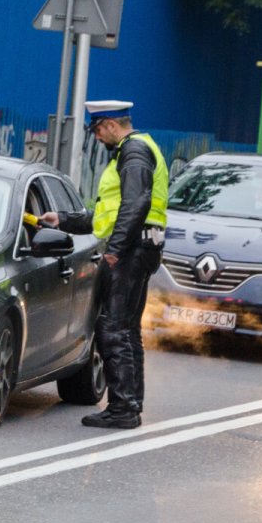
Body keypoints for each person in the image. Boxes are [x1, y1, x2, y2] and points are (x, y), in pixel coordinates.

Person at [39, 100, 167, 429]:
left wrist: (116, 250)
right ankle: (130, 403)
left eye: (97, 129)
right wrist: (64, 220)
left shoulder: (133, 152)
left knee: (112, 328)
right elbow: (108, 216)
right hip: (142, 246)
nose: (96, 136)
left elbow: (136, 202)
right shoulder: (139, 149)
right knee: (127, 330)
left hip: (131, 249)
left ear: (109, 124)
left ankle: (123, 407)